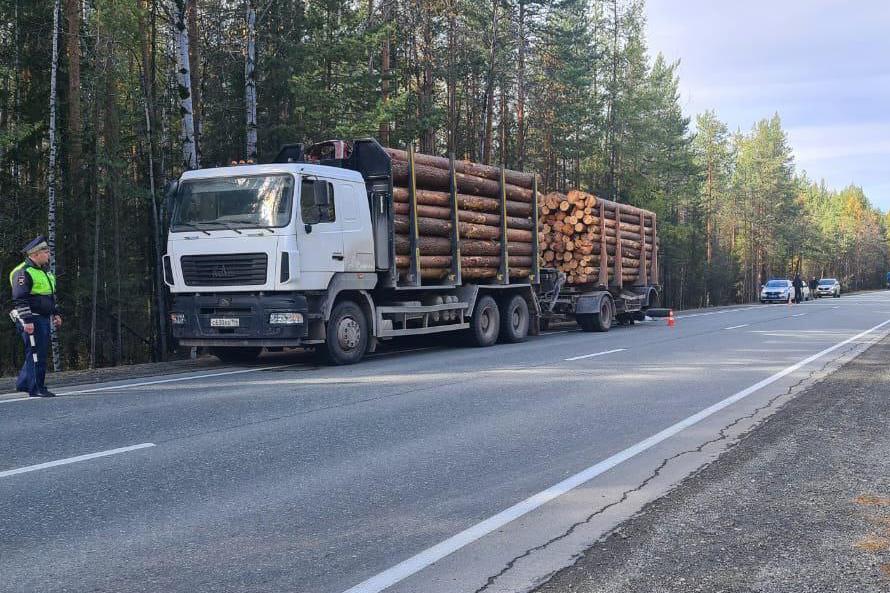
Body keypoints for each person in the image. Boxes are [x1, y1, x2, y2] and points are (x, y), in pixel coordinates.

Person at [9, 236, 62, 397]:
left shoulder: (43, 270)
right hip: (31, 318)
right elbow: (20, 299)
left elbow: (49, 295)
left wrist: (55, 313)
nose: (49, 255)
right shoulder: (23, 272)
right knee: (36, 354)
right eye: (46, 252)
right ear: (35, 254)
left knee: (37, 352)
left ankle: (24, 383)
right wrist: (27, 321)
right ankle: (36, 388)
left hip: (42, 317)